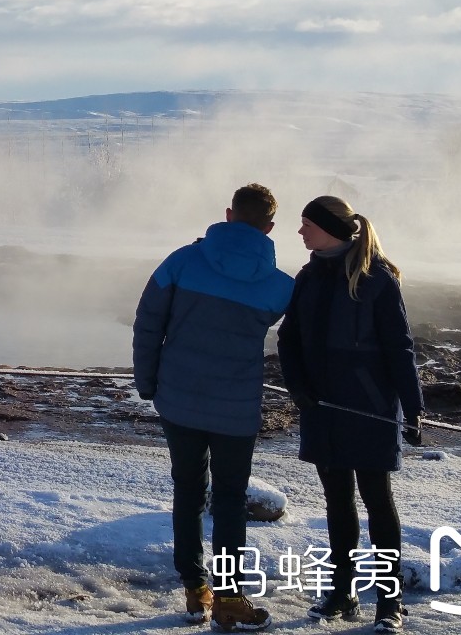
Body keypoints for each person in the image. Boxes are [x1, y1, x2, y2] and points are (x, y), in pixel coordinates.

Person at [131, 183, 294, 632]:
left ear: (228, 215)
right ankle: (228, 597)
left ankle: (192, 588)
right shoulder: (280, 286)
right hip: (236, 409)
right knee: (228, 499)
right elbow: (297, 342)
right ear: (270, 227)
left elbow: (148, 324)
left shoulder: (181, 262)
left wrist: (147, 382)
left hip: (178, 399)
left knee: (187, 490)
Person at [277, 197, 422, 633]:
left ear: (331, 229)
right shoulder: (308, 275)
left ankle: (389, 602)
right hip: (320, 407)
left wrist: (413, 408)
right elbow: (288, 339)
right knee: (337, 500)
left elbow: (400, 347)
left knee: (377, 500)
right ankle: (343, 593)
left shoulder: (377, 278)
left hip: (370, 406)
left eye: (306, 225)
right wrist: (297, 385)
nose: (300, 233)